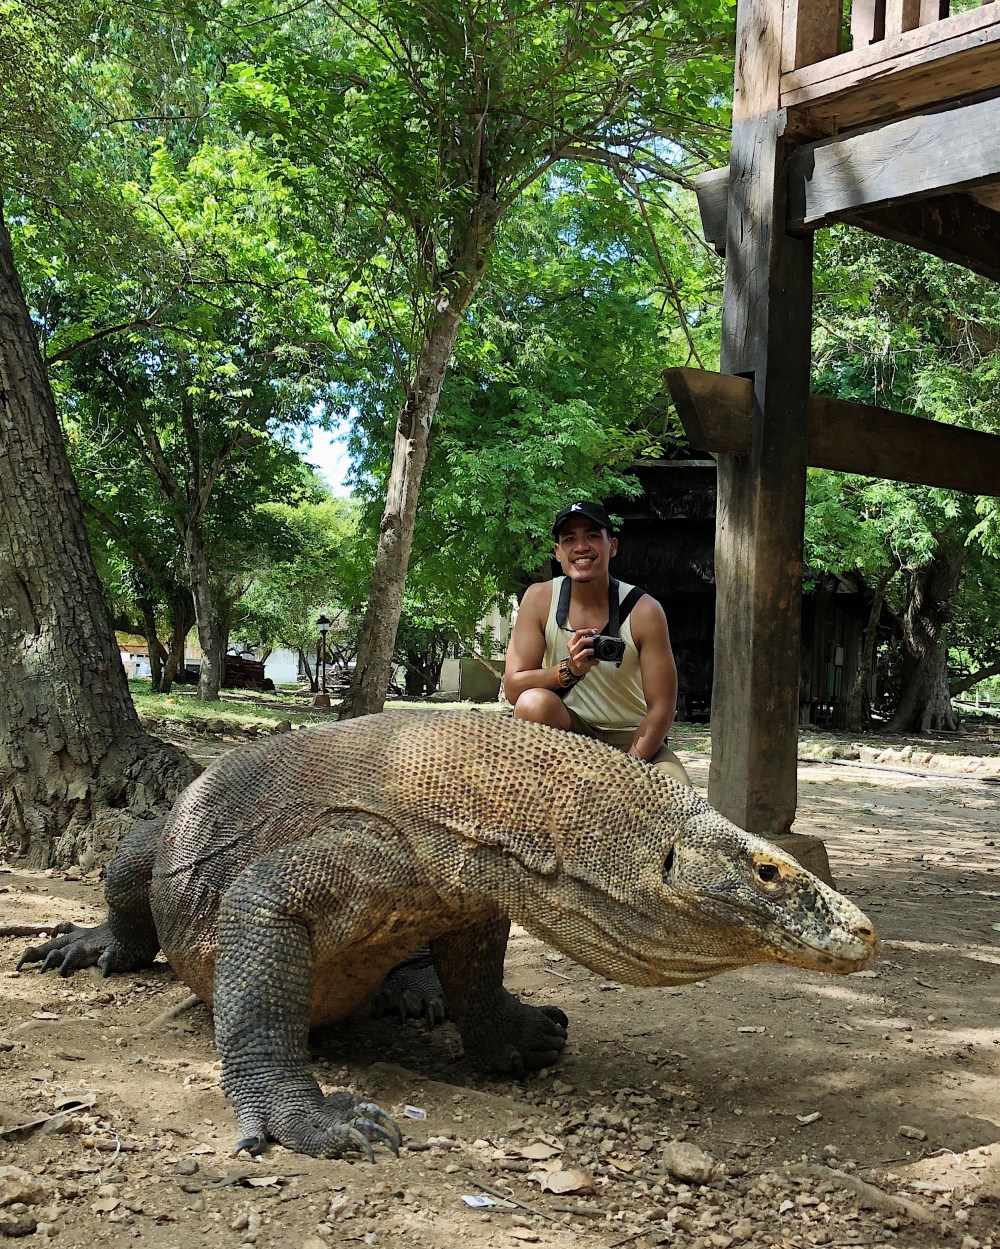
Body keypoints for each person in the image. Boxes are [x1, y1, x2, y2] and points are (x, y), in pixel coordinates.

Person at [504, 500, 691, 785]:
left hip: (632, 737)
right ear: (557, 552)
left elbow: (663, 707)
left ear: (612, 546)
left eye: (592, 535)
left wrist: (629, 769)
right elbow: (514, 688)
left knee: (677, 793)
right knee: (532, 703)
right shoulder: (539, 599)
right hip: (570, 734)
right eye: (569, 539)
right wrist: (569, 670)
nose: (581, 546)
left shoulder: (645, 610)